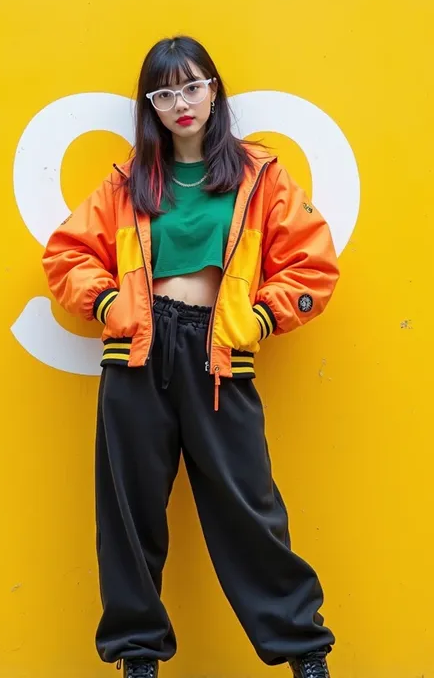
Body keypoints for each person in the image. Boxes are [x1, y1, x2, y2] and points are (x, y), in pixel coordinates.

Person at [42, 35, 339, 678]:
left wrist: (257, 318)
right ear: (151, 105)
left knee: (248, 508)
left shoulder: (259, 174)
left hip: (218, 354)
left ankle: (303, 651)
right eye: (165, 92)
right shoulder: (127, 181)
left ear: (214, 91)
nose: (182, 103)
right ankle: (138, 658)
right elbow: (66, 255)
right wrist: (105, 307)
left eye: (193, 86)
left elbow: (313, 266)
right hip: (137, 353)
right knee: (129, 514)